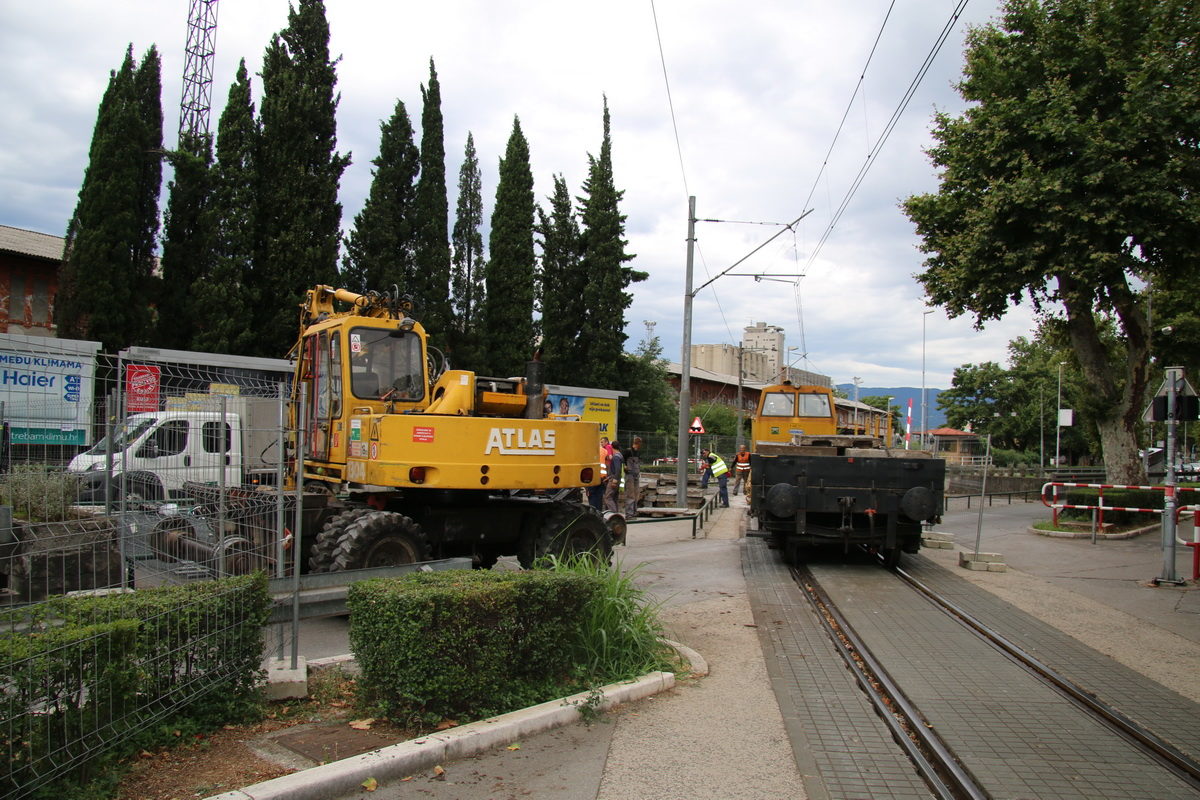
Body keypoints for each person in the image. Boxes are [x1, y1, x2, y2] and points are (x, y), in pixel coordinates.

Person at [622, 436, 643, 518]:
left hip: (636, 475)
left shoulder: (637, 452)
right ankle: (629, 514)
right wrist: (625, 466)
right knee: (630, 494)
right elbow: (622, 459)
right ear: (637, 443)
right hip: (629, 475)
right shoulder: (628, 451)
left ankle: (634, 512)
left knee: (636, 494)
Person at [605, 440, 624, 513]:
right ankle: (616, 514)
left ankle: (613, 514)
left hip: (614, 479)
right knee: (614, 497)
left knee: (608, 497)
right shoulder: (620, 455)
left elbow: (617, 469)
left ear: (611, 447)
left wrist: (614, 480)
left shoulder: (616, 457)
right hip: (617, 478)